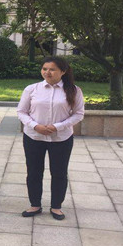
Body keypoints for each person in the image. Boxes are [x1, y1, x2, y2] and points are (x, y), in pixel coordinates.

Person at [17, 56, 84, 220]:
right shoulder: (31, 89)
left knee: (59, 172)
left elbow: (78, 114)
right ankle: (35, 205)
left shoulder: (74, 90)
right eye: (44, 69)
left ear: (63, 71)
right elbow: (21, 112)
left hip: (61, 138)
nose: (47, 72)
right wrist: (35, 126)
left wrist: (57, 127)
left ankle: (56, 207)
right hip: (33, 137)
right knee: (33, 172)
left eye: (52, 69)